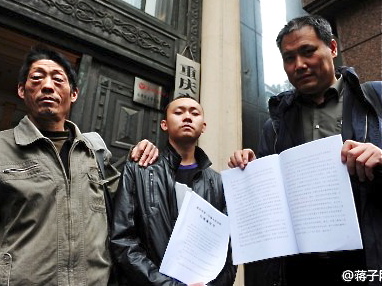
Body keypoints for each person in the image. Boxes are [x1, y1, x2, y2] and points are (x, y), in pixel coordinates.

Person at [228, 15, 382, 286]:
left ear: (332, 48)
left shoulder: (376, 99)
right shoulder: (274, 126)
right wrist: (249, 172)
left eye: (308, 52)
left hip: (368, 261)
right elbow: (269, 203)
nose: (299, 65)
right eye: (289, 58)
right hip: (300, 269)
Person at [0, 45, 157, 285]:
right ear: (21, 90)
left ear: (74, 94)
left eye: (58, 79)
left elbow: (128, 212)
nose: (48, 86)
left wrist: (142, 158)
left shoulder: (96, 152)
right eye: (37, 78)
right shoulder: (3, 147)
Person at [111, 95, 237, 285]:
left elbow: (228, 249)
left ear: (203, 126)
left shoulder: (219, 183)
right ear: (164, 124)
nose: (187, 117)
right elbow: (123, 239)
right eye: (178, 112)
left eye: (194, 113)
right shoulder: (139, 170)